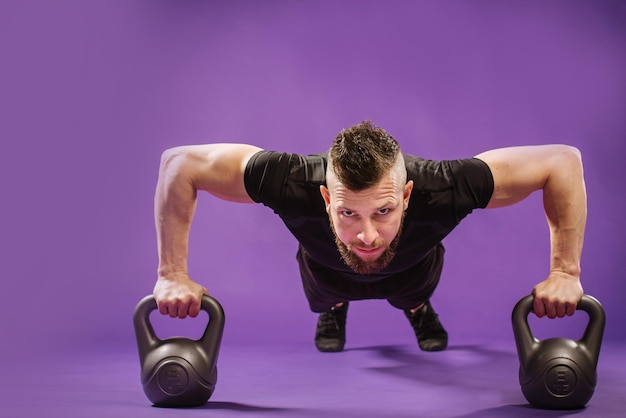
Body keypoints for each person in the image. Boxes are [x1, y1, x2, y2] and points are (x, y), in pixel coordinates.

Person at [152, 121, 586, 352]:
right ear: (324, 198)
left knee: (411, 291)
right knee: (325, 293)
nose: (366, 234)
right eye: (347, 212)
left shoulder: (446, 186)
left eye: (383, 211)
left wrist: (565, 271)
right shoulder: (288, 180)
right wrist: (172, 273)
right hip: (325, 270)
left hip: (413, 268)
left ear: (407, 194)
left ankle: (417, 310)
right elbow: (180, 165)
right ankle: (334, 310)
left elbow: (561, 163)